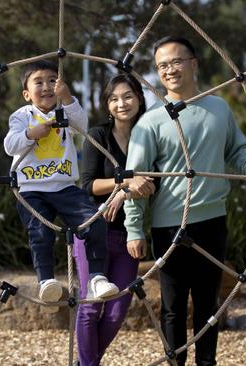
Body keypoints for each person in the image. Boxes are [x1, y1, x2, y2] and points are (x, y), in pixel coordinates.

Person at [123, 36, 246, 366]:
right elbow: (136, 180)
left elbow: (237, 152)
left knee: (209, 305)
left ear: (194, 64)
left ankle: (207, 363)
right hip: (169, 226)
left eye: (176, 61)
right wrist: (134, 229)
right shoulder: (150, 121)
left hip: (212, 223)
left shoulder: (219, 108)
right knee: (173, 307)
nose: (169, 70)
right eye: (162, 65)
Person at [4, 60, 119, 309]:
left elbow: (82, 127)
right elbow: (10, 145)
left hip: (65, 187)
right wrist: (30, 134)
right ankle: (46, 281)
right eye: (39, 82)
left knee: (95, 222)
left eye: (52, 80)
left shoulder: (64, 111)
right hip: (32, 189)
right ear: (26, 94)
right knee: (40, 232)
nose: (46, 86)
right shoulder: (22, 116)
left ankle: (97, 277)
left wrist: (68, 98)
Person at [74, 74, 156, 366]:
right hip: (94, 230)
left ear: (140, 98)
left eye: (128, 96)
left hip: (128, 234)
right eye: (114, 98)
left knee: (117, 310)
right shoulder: (98, 135)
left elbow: (154, 180)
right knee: (90, 306)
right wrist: (123, 184)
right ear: (107, 104)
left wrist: (128, 190)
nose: (122, 103)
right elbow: (86, 185)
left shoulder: (149, 134)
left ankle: (88, 361)